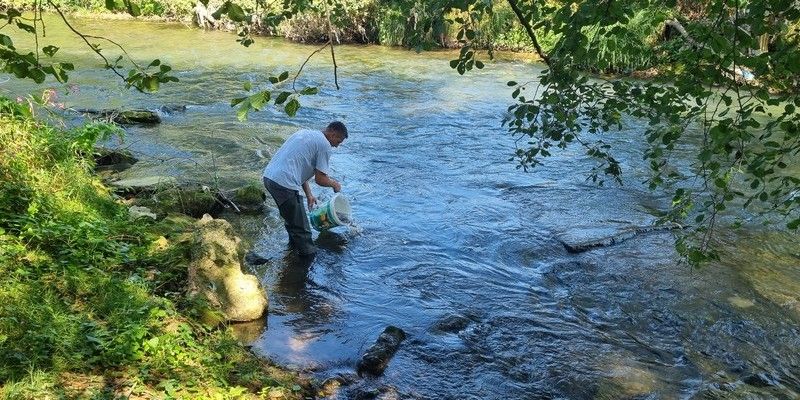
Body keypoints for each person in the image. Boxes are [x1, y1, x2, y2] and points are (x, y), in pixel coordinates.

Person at [262, 121, 348, 256]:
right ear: (333, 133)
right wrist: (335, 184)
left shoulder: (306, 134)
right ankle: (305, 262)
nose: (337, 145)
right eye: (339, 140)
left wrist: (309, 195)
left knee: (293, 222)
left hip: (270, 178)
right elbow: (320, 179)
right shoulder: (324, 145)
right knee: (303, 231)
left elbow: (299, 169)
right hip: (284, 184)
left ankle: (291, 254)